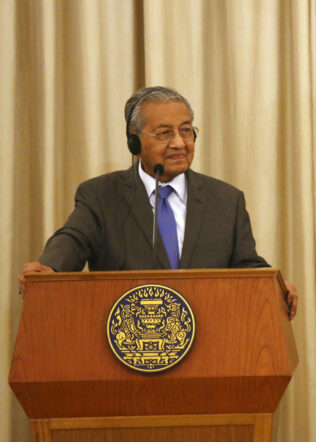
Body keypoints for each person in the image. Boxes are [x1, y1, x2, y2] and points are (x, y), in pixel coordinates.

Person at [19, 86, 298, 319]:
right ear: (134, 142)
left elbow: (246, 266)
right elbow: (73, 238)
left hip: (209, 350)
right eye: (164, 133)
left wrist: (273, 287)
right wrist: (50, 268)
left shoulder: (226, 200)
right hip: (126, 352)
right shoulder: (102, 196)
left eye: (186, 130)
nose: (179, 143)